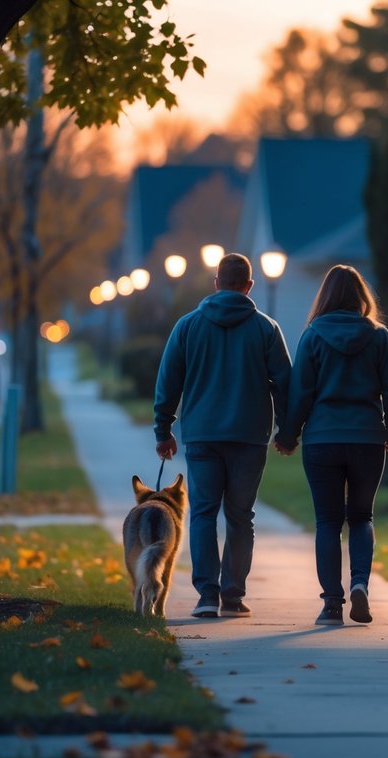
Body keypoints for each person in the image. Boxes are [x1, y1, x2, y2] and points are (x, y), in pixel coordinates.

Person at [154, 252, 291, 619]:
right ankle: (232, 595)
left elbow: (168, 381)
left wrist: (163, 429)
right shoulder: (266, 328)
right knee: (241, 516)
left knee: (202, 513)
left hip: (202, 435)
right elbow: (285, 383)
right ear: (249, 286)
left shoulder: (187, 326)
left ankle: (205, 596)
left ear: (215, 283)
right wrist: (287, 431)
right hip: (249, 436)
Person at [274, 264, 388, 626]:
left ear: (325, 297)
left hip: (322, 441)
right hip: (366, 439)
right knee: (362, 517)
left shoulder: (313, 336)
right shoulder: (380, 337)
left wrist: (288, 436)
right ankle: (360, 582)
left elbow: (300, 393)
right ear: (362, 297)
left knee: (328, 522)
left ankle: (332, 603)